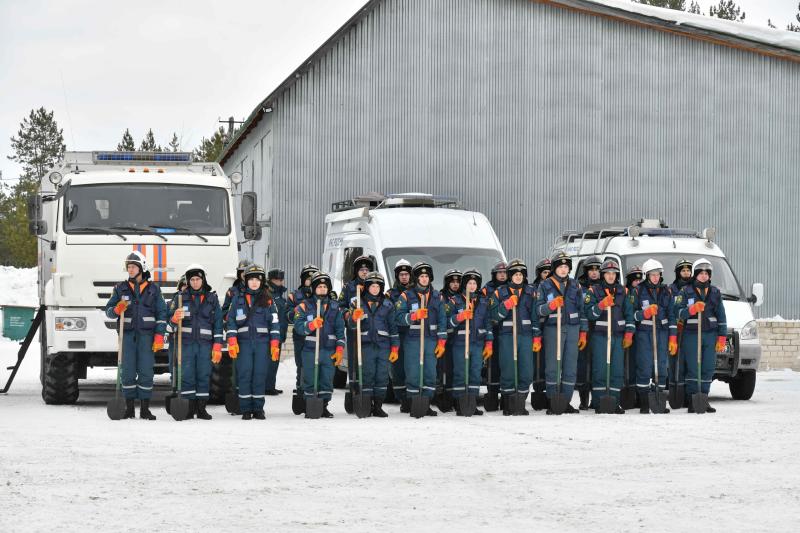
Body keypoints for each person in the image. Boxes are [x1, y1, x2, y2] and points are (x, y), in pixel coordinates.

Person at [104, 251, 167, 420]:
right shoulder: (120, 288)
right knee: (128, 372)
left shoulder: (154, 289)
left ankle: (145, 409)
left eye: (133, 267)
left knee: (146, 371)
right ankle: (129, 408)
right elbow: (108, 311)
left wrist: (160, 335)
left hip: (147, 337)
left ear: (142, 268)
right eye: (128, 267)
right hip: (127, 337)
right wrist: (116, 310)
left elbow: (162, 313)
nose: (130, 270)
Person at [534, 252, 587, 414]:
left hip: (573, 328)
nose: (563, 270)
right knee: (553, 366)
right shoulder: (545, 285)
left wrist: (583, 332)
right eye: (560, 267)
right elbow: (538, 309)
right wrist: (550, 306)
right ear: (554, 269)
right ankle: (553, 400)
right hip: (553, 329)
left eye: (566, 267)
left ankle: (566, 401)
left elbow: (582, 310)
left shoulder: (575, 285)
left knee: (570, 367)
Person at [226, 265, 281, 420]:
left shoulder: (268, 300)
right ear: (246, 281)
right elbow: (230, 320)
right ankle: (245, 409)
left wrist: (275, 343)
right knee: (244, 375)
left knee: (259, 375)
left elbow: (275, 322)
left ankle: (258, 408)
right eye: (251, 279)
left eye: (257, 279)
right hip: (243, 345)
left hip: (262, 345)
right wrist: (231, 340)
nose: (254, 282)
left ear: (262, 281)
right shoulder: (237, 299)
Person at [169, 265, 223, 420]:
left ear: (203, 280)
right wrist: (173, 319)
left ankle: (201, 409)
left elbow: (218, 323)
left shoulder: (212, 298)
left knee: (203, 375)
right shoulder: (179, 298)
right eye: (192, 279)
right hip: (185, 344)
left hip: (205, 345)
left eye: (197, 279)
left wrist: (218, 345)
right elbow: (168, 321)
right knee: (187, 375)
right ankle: (188, 408)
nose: (195, 282)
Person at [394, 262, 448, 417]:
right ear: (416, 278)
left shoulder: (437, 296)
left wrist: (442, 341)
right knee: (413, 372)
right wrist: (413, 316)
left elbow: (442, 319)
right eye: (421, 276)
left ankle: (426, 403)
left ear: (430, 278)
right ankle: (413, 403)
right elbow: (397, 317)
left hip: (431, 340)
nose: (424, 279)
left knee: (430, 372)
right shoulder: (406, 296)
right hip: (413, 340)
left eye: (426, 276)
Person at [675, 258, 727, 413]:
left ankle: (703, 399)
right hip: (691, 335)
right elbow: (677, 311)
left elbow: (721, 316)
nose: (704, 276)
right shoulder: (685, 291)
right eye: (701, 273)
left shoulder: (715, 292)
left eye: (707, 273)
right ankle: (692, 400)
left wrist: (722, 336)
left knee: (708, 368)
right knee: (693, 367)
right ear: (695, 275)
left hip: (710, 335)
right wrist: (690, 310)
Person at [583, 259, 635, 414]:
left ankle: (614, 401)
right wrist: (600, 305)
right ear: (603, 274)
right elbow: (589, 314)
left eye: (614, 274)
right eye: (608, 273)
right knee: (600, 370)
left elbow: (629, 315)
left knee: (617, 370)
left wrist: (629, 334)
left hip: (618, 337)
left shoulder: (623, 291)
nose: (611, 276)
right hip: (600, 336)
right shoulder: (594, 291)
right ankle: (599, 402)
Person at [294, 272, 346, 418]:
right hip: (310, 350)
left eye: (325, 286)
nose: (322, 289)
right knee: (310, 378)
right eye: (319, 286)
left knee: (327, 379)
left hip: (328, 350)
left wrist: (340, 347)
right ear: (314, 289)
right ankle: (310, 405)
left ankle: (323, 406)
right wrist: (311, 325)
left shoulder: (335, 307)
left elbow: (340, 329)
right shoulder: (305, 306)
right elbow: (298, 326)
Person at [488, 259, 537, 415]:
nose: (518, 277)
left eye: (521, 274)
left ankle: (520, 403)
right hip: (507, 336)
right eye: (515, 274)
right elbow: (493, 315)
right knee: (508, 369)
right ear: (510, 276)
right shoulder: (500, 292)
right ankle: (508, 404)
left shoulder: (531, 292)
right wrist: (506, 305)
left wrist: (537, 337)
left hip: (526, 336)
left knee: (527, 371)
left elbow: (535, 316)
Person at [347, 271, 399, 417]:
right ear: (367, 287)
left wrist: (395, 347)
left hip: (383, 346)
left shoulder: (388, 305)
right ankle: (366, 404)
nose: (375, 289)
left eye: (378, 286)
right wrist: (353, 318)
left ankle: (378, 406)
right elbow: (351, 326)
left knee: (382, 376)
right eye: (372, 286)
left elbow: (393, 328)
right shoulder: (357, 303)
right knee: (367, 374)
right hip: (365, 345)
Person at [631, 259, 676, 413]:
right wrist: (645, 313)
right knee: (644, 368)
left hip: (662, 334)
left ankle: (659, 402)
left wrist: (673, 337)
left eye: (658, 274)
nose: (656, 277)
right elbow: (631, 315)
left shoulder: (666, 291)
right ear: (646, 275)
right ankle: (644, 403)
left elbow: (672, 315)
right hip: (644, 335)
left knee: (662, 369)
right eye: (652, 275)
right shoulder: (638, 291)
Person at [447, 269, 492, 416]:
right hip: (460, 343)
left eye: (474, 283)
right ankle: (460, 404)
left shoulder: (483, 302)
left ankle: (471, 404)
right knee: (460, 372)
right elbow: (447, 323)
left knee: (475, 373)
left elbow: (487, 324)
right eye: (469, 283)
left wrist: (489, 342)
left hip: (477, 343)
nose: (472, 286)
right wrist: (459, 317)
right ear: (464, 285)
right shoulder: (455, 301)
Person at [340, 256, 375, 410]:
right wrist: (349, 315)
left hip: (369, 332)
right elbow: (340, 306)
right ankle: (354, 393)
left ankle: (368, 396)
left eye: (367, 270)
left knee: (368, 364)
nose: (364, 272)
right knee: (354, 363)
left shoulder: (374, 286)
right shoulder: (349, 287)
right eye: (361, 270)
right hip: (354, 332)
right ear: (356, 271)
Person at [286, 263, 319, 409]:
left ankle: (313, 391)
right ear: (303, 280)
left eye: (313, 279)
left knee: (315, 364)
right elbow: (287, 316)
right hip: (300, 335)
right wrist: (297, 312)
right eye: (308, 279)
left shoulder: (321, 295)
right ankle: (301, 390)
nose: (310, 282)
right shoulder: (294, 296)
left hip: (317, 336)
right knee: (301, 364)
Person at [385, 259, 414, 410]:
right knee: (398, 368)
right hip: (397, 335)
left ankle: (412, 396)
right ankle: (403, 398)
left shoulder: (416, 293)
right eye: (401, 274)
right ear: (397, 276)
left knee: (412, 367)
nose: (404, 277)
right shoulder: (390, 294)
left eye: (407, 274)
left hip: (413, 335)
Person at [576, 255, 602, 410]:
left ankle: (596, 398)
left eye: (597, 269)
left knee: (597, 364)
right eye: (591, 269)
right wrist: (583, 331)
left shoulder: (604, 286)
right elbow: (579, 310)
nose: (594, 273)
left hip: (600, 330)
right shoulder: (579, 287)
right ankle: (583, 399)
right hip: (583, 331)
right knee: (583, 365)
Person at [481, 261, 508, 407]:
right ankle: (492, 393)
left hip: (507, 331)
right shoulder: (487, 289)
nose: (502, 275)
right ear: (494, 274)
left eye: (504, 272)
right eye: (500, 273)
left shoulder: (511, 288)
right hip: (492, 330)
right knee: (492, 364)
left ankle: (505, 394)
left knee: (506, 363)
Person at [437, 269, 462, 411]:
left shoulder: (463, 297)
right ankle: (444, 397)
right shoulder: (442, 297)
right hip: (445, 338)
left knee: (457, 368)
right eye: (452, 282)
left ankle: (457, 398)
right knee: (445, 369)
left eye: (458, 281)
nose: (455, 284)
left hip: (460, 339)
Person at [668, 258, 693, 397]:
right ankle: (674, 392)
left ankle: (687, 395)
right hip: (675, 330)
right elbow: (669, 308)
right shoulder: (671, 289)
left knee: (688, 362)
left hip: (690, 331)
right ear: (678, 273)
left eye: (688, 270)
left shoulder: (694, 288)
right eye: (683, 270)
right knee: (674, 362)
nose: (686, 273)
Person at [266, 268, 288, 395]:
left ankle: (270, 385)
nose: (279, 282)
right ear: (271, 280)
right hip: (271, 334)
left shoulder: (279, 295)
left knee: (274, 361)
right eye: (276, 280)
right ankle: (267, 387)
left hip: (279, 333)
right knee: (269, 361)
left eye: (281, 280)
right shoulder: (268, 294)